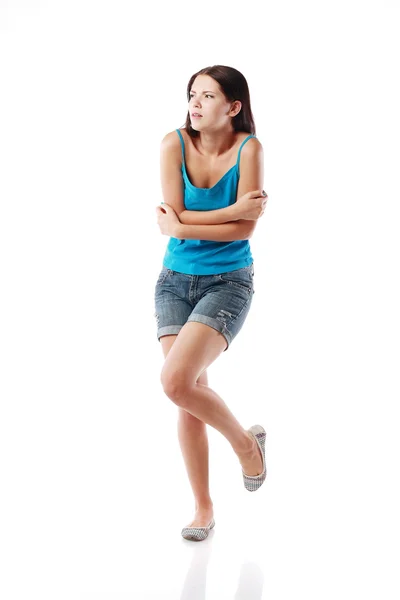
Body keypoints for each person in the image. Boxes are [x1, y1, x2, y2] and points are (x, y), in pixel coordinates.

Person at [154, 65, 269, 541]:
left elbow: (245, 229)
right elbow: (174, 219)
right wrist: (209, 219)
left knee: (177, 383)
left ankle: (245, 446)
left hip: (228, 281)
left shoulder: (250, 149)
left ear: (233, 106)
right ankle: (203, 508)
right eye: (191, 95)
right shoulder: (172, 144)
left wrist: (184, 226)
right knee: (186, 397)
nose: (194, 104)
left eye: (206, 96)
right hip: (174, 281)